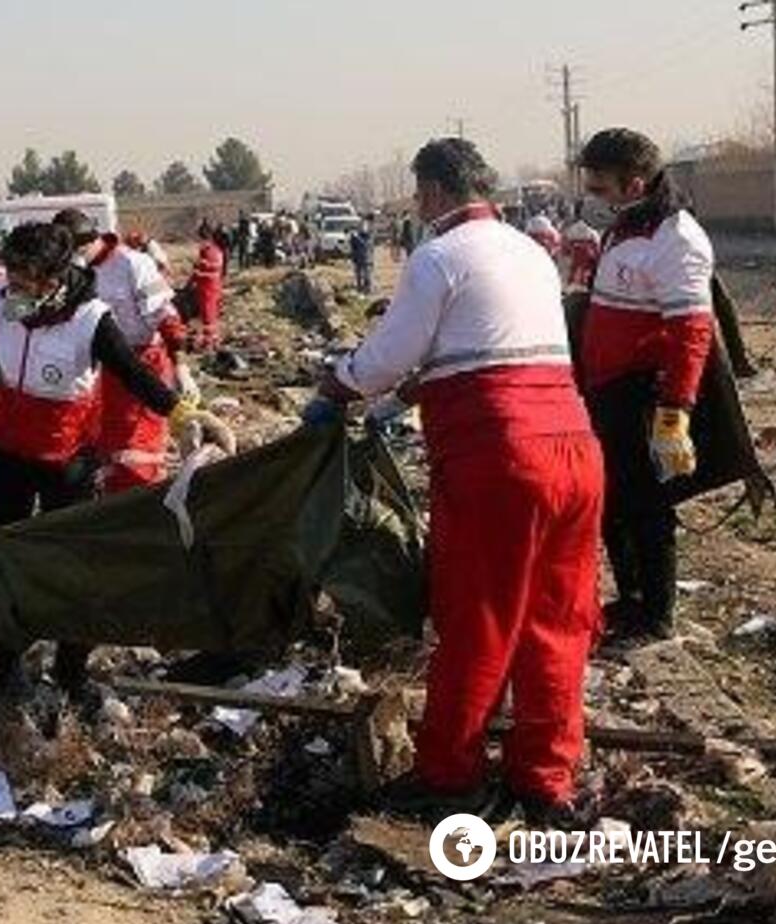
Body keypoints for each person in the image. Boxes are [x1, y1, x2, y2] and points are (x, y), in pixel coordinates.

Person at [303, 137, 602, 821]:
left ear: (434, 191)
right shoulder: (529, 250)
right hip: (573, 447)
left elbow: (390, 354)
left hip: (499, 455)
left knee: (477, 618)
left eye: (417, 192)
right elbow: (485, 347)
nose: (416, 204)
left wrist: (339, 386)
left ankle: (449, 774)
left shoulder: (437, 256)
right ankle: (544, 779)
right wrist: (396, 402)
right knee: (556, 619)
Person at [0, 221, 228, 699]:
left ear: (53, 279)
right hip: (7, 452)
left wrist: (181, 411)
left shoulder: (90, 318)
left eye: (26, 281)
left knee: (75, 566)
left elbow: (132, 373)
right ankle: (4, 668)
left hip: (66, 458)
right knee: (0, 556)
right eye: (11, 277)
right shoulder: (0, 299)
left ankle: (71, 669)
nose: (15, 289)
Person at [576, 128, 714, 644]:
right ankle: (631, 596)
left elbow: (691, 331)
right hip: (608, 389)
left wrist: (675, 411)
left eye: (601, 188)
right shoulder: (628, 225)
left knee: (647, 507)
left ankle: (657, 611)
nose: (595, 198)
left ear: (634, 184)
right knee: (613, 501)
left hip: (642, 393)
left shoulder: (674, 238)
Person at [52, 208, 191, 494]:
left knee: (137, 446)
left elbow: (165, 314)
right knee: (103, 444)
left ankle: (140, 507)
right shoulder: (75, 273)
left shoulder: (133, 264)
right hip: (101, 370)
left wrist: (181, 366)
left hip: (142, 364)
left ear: (88, 242)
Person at [189, 223, 226, 350]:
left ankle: (210, 342)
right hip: (209, 286)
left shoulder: (211, 251)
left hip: (208, 287)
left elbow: (212, 270)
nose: (198, 242)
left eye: (200, 239)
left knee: (209, 315)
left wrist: (197, 272)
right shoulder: (212, 250)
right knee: (209, 315)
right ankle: (212, 339)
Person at [561, 213, 601, 292]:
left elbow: (566, 241)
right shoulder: (591, 231)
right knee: (586, 269)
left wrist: (566, 252)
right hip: (587, 252)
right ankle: (583, 284)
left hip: (576, 251)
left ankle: (571, 284)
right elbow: (596, 243)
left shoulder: (572, 229)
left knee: (574, 268)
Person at [348, 221, 375, 294]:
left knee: (366, 274)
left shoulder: (368, 237)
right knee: (360, 274)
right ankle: (360, 287)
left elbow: (370, 248)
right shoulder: (356, 237)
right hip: (359, 258)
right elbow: (352, 247)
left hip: (365, 258)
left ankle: (367, 288)